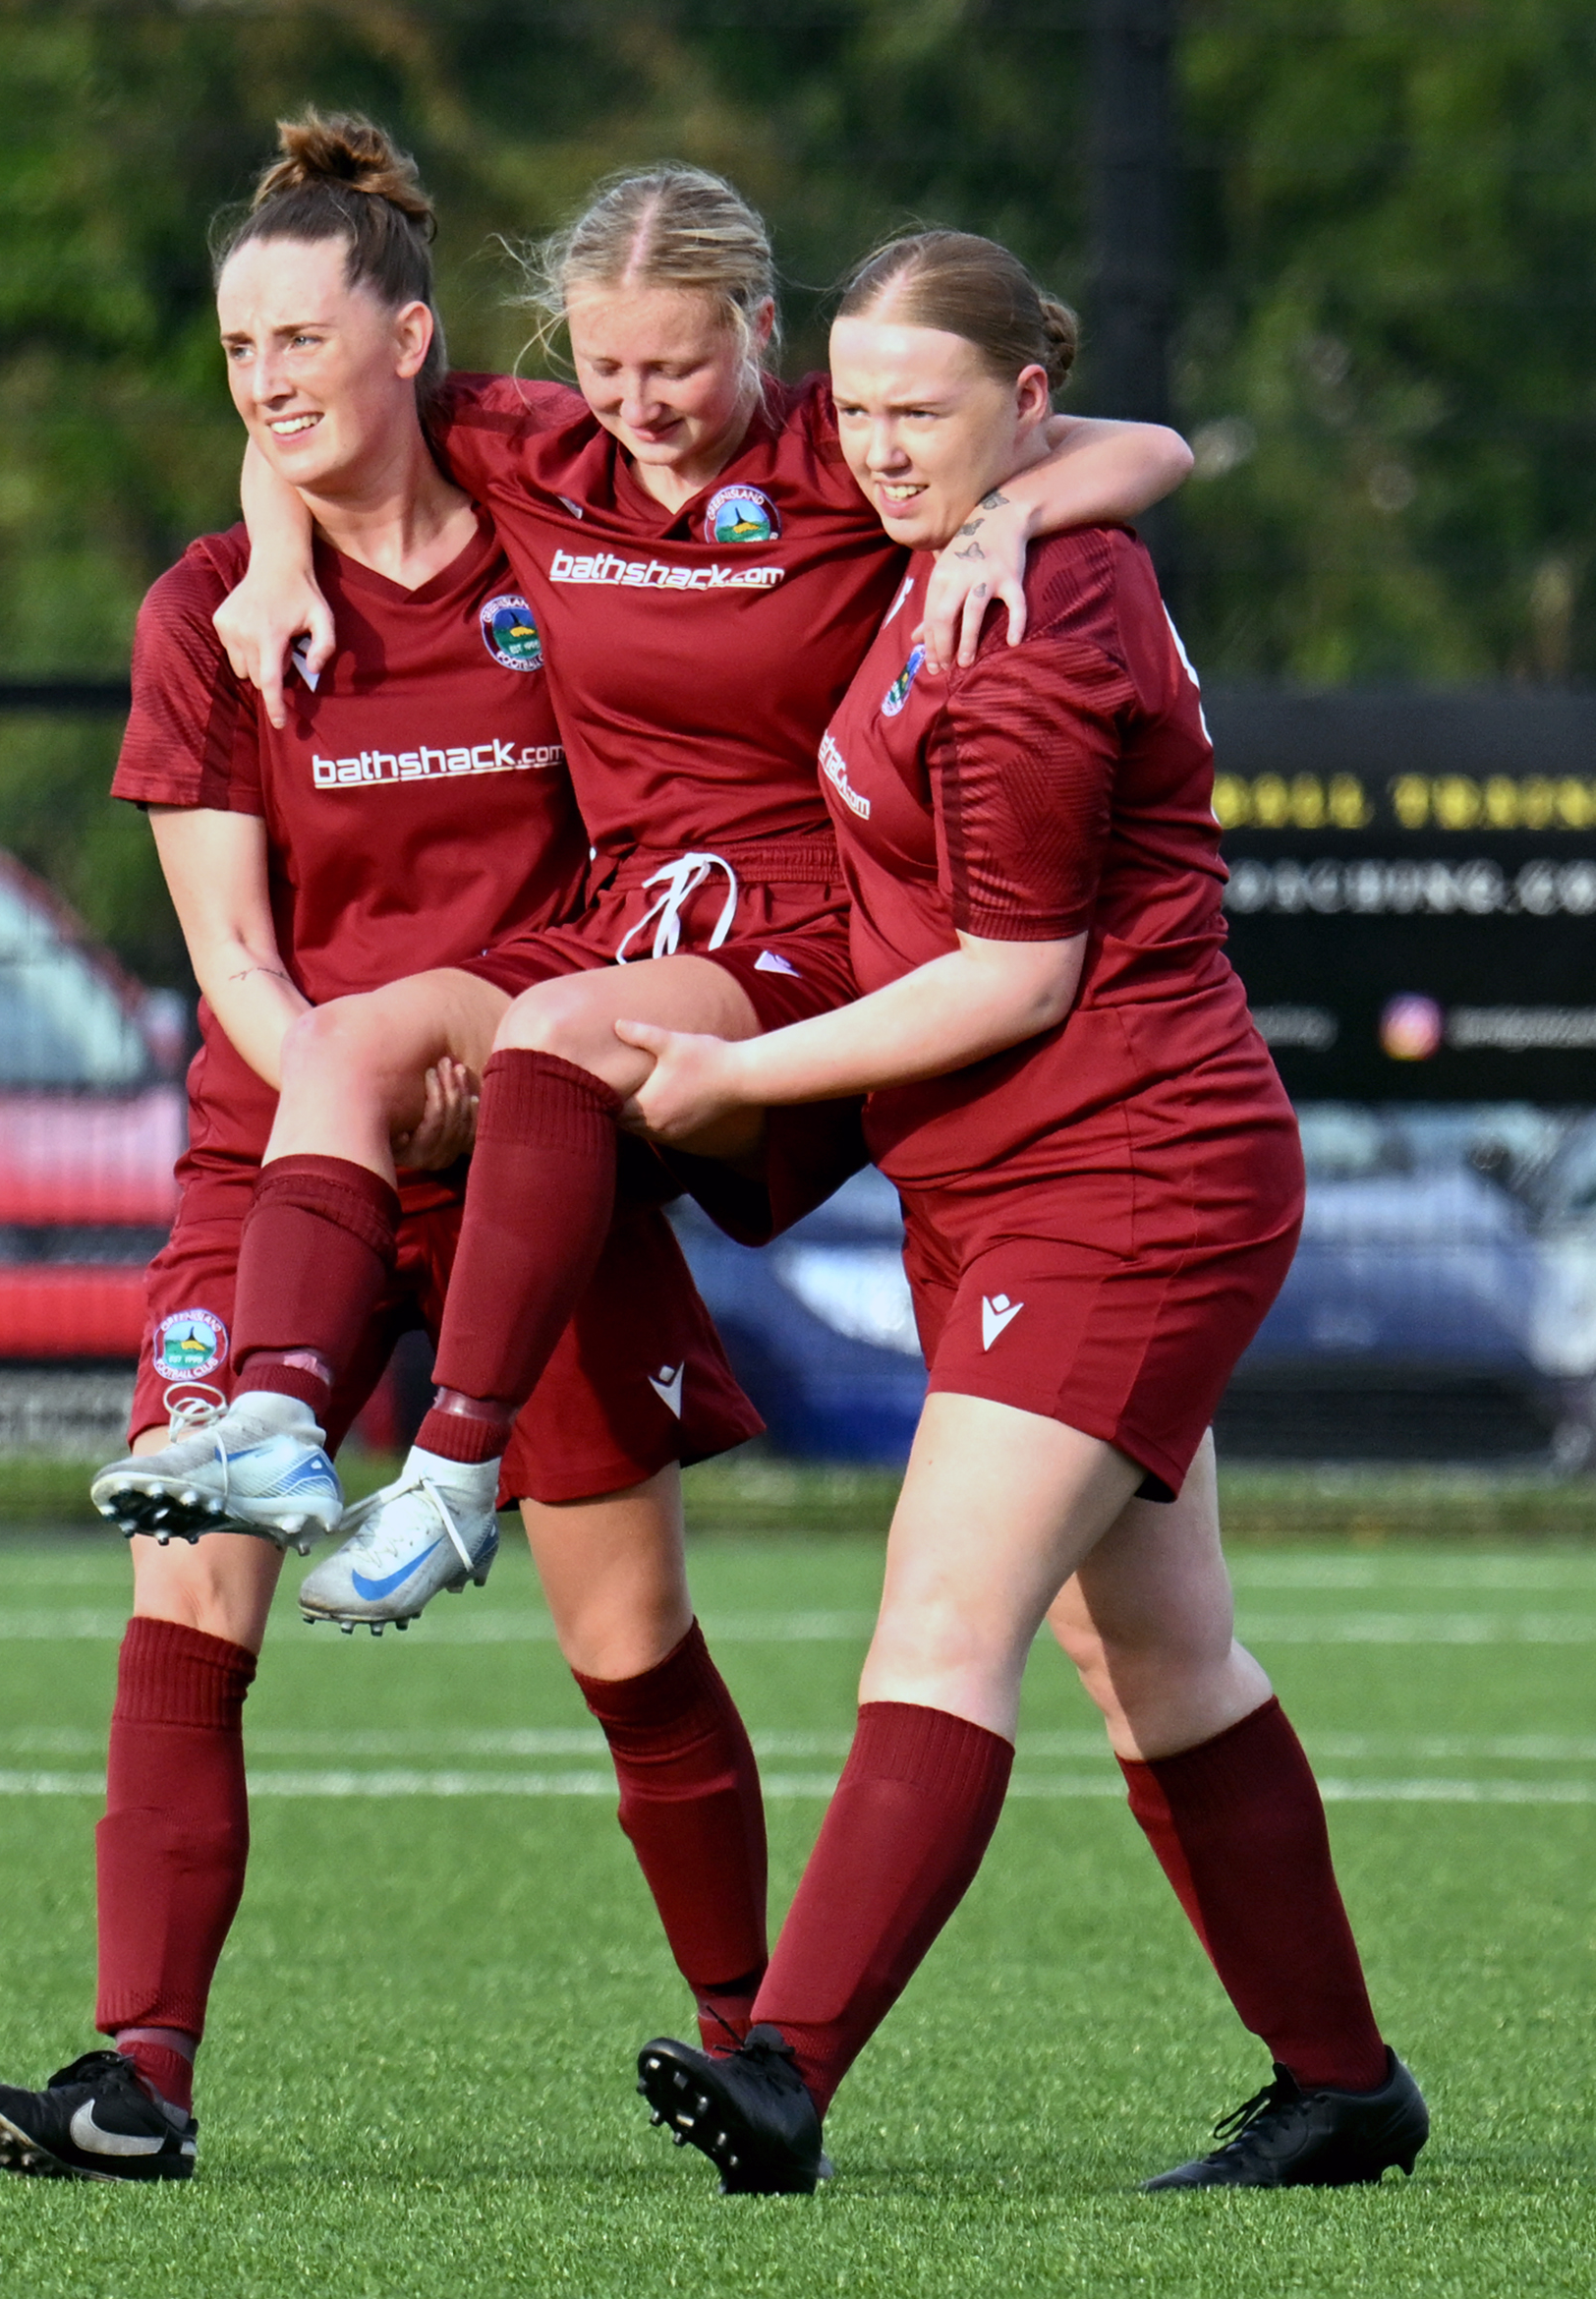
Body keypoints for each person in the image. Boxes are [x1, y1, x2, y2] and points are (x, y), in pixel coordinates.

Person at [0, 115, 775, 2184]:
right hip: (283, 1160)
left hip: (537, 1166)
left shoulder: (549, 523)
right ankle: (137, 2081)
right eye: (237, 352)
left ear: (408, 339)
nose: (266, 383)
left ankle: (762, 2060)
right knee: (186, 1605)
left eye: (301, 340)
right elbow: (230, 953)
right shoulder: (209, 610)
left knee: (628, 1645)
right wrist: (354, 1087)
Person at [101, 164, 1193, 1635]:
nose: (637, 403)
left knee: (554, 1038)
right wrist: (280, 552)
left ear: (757, 327)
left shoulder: (840, 447)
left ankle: (450, 1474)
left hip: (803, 931)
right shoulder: (537, 446)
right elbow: (308, 419)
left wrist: (1010, 516)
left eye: (674, 366)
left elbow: (1153, 447)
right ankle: (275, 1426)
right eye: (604, 366)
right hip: (626, 917)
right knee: (349, 1039)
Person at [619, 229, 1430, 2196]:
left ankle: (786, 2068)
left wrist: (735, 1079)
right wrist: (1017, 494)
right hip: (1010, 1180)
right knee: (1156, 1656)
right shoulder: (972, 529)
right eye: (858, 410)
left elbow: (1013, 977)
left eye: (924, 414)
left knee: (944, 1607)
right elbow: (1149, 447)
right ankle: (1340, 2088)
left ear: (1023, 403)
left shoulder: (1028, 633)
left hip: (1123, 1174)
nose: (879, 449)